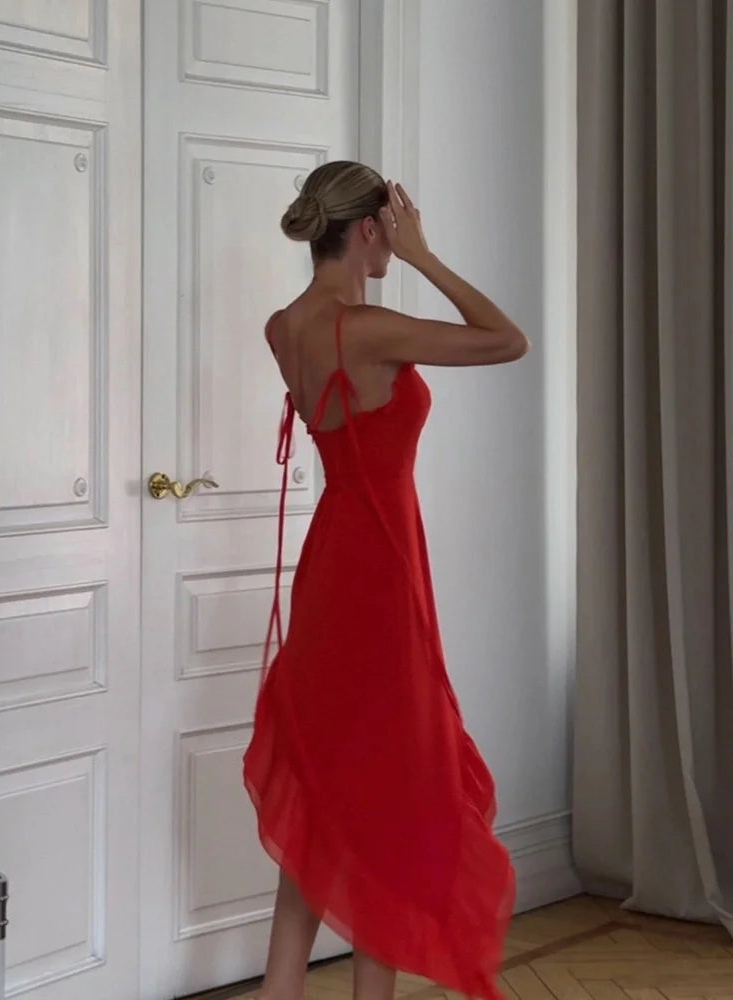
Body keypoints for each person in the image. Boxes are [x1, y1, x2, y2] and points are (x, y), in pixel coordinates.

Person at [243, 161, 529, 1000]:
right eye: (393, 229)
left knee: (329, 790)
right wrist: (427, 257)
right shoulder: (367, 329)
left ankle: (279, 991)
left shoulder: (283, 327)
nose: (397, 244)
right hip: (379, 573)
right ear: (371, 228)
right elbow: (507, 339)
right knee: (394, 797)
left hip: (331, 566)